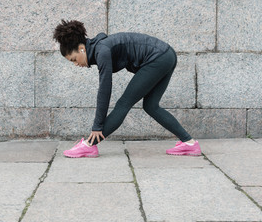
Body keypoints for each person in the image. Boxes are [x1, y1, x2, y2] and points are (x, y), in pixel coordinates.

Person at [53, 19, 201, 158]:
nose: (75, 64)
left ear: (81, 49)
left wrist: (97, 126)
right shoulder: (100, 48)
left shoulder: (101, 51)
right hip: (166, 55)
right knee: (151, 105)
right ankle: (189, 143)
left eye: (74, 59)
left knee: (123, 104)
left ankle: (89, 145)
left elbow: (104, 90)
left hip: (158, 58)